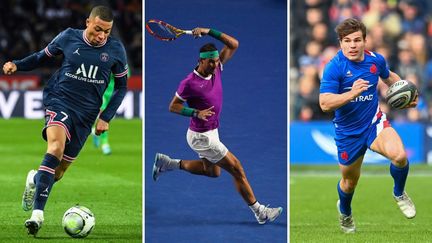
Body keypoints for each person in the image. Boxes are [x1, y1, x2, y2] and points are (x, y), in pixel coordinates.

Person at [2, 6, 128, 236]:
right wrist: (17, 64)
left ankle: (35, 179)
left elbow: (122, 86)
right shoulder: (69, 36)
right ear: (88, 22)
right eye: (98, 29)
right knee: (55, 148)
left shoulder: (116, 50)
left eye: (107, 32)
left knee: (57, 172)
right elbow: (41, 57)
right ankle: (37, 216)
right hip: (60, 101)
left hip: (87, 114)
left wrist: (105, 117)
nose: (101, 36)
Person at [152, 27, 283, 225]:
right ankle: (260, 211)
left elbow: (234, 44)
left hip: (211, 131)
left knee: (213, 172)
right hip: (202, 136)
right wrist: (196, 112)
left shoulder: (217, 69)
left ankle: (168, 163)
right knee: (237, 169)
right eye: (210, 61)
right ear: (200, 61)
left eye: (216, 60)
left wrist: (208, 31)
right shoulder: (189, 83)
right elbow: (173, 106)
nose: (215, 64)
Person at [319, 18, 417, 233]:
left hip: (374, 123)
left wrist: (408, 94)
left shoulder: (376, 60)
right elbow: (325, 103)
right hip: (347, 133)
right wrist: (352, 93)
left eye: (356, 40)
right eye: (347, 41)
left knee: (399, 156)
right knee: (349, 183)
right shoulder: (334, 68)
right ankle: (345, 212)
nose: (352, 45)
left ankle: (399, 193)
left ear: (365, 41)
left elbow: (390, 78)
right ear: (340, 43)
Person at [92, 70, 130, 155]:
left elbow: (126, 77)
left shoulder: (121, 62)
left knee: (108, 119)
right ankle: (105, 145)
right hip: (102, 93)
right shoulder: (104, 60)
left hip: (114, 94)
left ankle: (95, 131)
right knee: (104, 118)